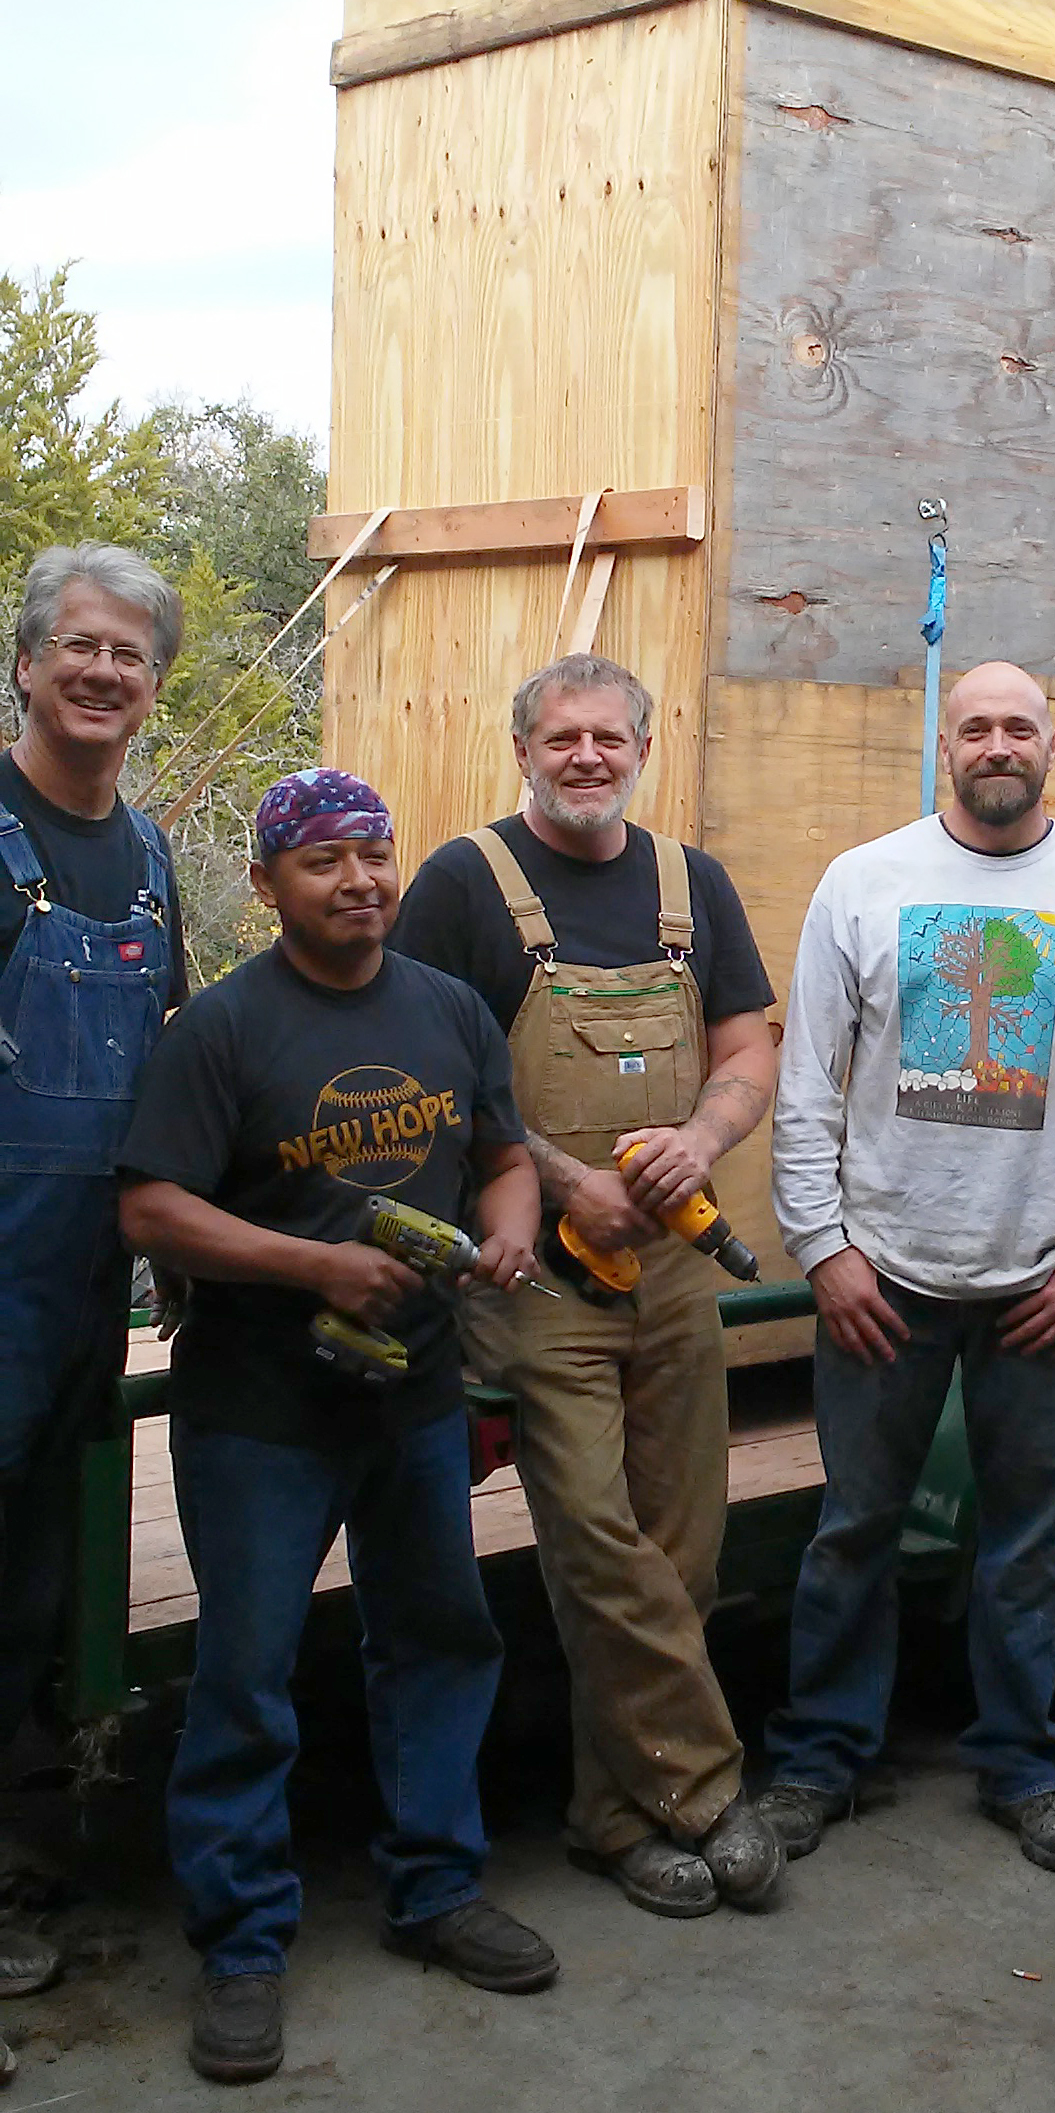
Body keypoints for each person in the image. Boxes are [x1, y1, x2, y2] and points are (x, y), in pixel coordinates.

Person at [118, 771, 558, 2085]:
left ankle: (437, 1885)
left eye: (375, 854)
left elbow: (501, 1149)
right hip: (259, 1409)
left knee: (435, 1639)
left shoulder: (450, 1006)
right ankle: (245, 1941)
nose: (359, 879)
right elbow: (150, 1208)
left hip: (416, 1394)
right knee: (246, 1675)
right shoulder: (223, 1028)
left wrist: (516, 1220)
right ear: (267, 885)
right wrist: (313, 1268)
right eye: (323, 860)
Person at [756, 661, 1055, 1876]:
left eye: (1019, 727)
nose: (997, 743)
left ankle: (1023, 1763)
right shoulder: (864, 884)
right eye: (975, 725)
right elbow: (806, 1091)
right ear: (946, 743)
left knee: (1028, 1542)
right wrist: (824, 1252)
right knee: (854, 1530)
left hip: (1044, 1286)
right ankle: (819, 1758)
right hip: (882, 1278)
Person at [390, 654, 783, 1921]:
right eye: (562, 737)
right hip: (540, 1288)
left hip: (675, 1270)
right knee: (599, 1544)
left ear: (641, 749)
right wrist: (559, 1177)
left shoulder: (690, 882)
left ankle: (617, 1817)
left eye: (610, 737)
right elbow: (425, 1074)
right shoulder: (465, 883)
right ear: (524, 750)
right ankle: (713, 1792)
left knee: (688, 1550)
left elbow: (745, 1045)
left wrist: (702, 1140)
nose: (587, 757)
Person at [0, 543, 186, 1999]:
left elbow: (169, 1070)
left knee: (37, 1591)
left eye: (129, 651)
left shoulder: (151, 858)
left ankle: (22, 1863)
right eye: (79, 642)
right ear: (25, 660)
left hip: (78, 1296)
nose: (103, 668)